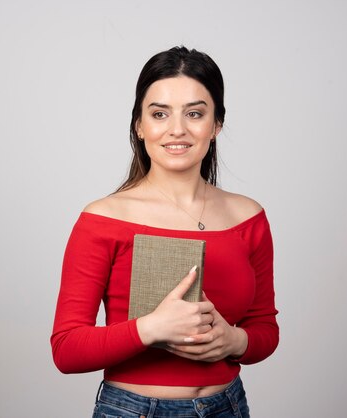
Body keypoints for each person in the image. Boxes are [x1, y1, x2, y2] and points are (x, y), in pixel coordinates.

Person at [51, 46, 278, 418]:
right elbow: (66, 348)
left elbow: (265, 328)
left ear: (217, 124)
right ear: (140, 126)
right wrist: (151, 328)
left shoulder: (248, 216)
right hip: (136, 410)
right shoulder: (103, 218)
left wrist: (233, 340)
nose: (177, 129)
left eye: (195, 113)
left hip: (228, 406)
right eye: (159, 114)